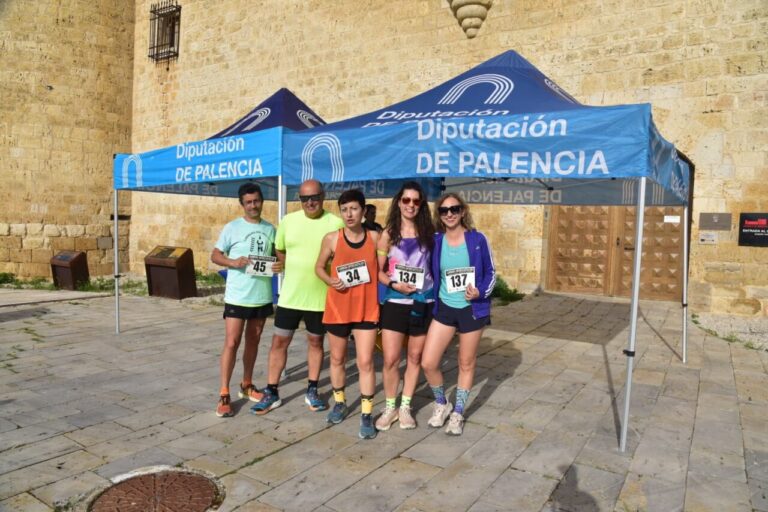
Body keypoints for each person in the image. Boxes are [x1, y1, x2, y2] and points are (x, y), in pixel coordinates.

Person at [250, 180, 344, 415]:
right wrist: (284, 263)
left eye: (314, 197)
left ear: (323, 196)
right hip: (290, 296)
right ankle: (272, 391)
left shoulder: (336, 223)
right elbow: (279, 248)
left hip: (320, 297)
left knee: (315, 342)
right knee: (279, 343)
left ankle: (312, 389)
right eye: (304, 198)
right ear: (299, 199)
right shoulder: (288, 221)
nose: (310, 202)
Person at [421, 193, 496, 435]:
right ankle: (442, 403)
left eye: (454, 209)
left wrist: (480, 292)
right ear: (439, 215)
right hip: (444, 307)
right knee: (428, 362)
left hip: (471, 309)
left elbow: (491, 273)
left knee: (466, 362)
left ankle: (458, 412)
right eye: (444, 211)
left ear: (463, 211)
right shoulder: (436, 241)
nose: (449, 214)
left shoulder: (477, 239)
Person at [211, 183, 282, 417]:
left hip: (260, 296)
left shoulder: (271, 229)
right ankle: (223, 392)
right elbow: (215, 255)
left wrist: (279, 264)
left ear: (262, 201)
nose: (253, 205)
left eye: (257, 201)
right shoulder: (232, 228)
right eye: (249, 202)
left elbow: (278, 257)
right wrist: (233, 262)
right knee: (231, 342)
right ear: (242, 204)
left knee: (253, 342)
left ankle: (247, 384)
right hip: (237, 295)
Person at [315, 189, 380, 439]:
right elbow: (318, 267)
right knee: (337, 360)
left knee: (365, 362)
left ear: (364, 211)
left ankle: (366, 414)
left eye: (354, 208)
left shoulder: (375, 238)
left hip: (365, 309)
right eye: (344, 209)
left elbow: (390, 264)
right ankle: (340, 402)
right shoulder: (332, 238)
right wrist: (331, 281)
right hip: (338, 308)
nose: (349, 214)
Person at [375, 181, 434, 431]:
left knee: (414, 357)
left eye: (416, 201)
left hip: (422, 302)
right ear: (399, 202)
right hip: (395, 301)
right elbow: (377, 272)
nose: (411, 205)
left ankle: (406, 406)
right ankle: (390, 406)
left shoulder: (431, 234)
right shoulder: (388, 234)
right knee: (390, 359)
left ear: (421, 205)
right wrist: (394, 285)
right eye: (406, 200)